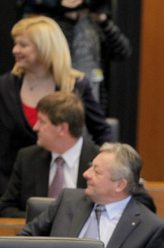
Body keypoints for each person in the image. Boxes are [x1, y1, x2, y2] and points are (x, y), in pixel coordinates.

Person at [0, 16, 113, 195]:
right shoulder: (5, 86)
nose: (15, 50)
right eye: (15, 44)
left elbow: (102, 132)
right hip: (11, 188)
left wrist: (105, 168)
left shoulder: (76, 85)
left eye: (23, 45)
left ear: (45, 48)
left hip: (64, 182)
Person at [0, 91, 154, 217]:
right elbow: (6, 207)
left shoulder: (103, 162)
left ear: (62, 129)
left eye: (42, 122)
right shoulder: (27, 158)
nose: (35, 127)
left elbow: (143, 203)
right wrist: (47, 220)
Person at [19, 143, 164, 248]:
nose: (86, 174)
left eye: (96, 172)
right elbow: (23, 241)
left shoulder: (150, 228)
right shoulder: (67, 200)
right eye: (91, 167)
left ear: (120, 185)